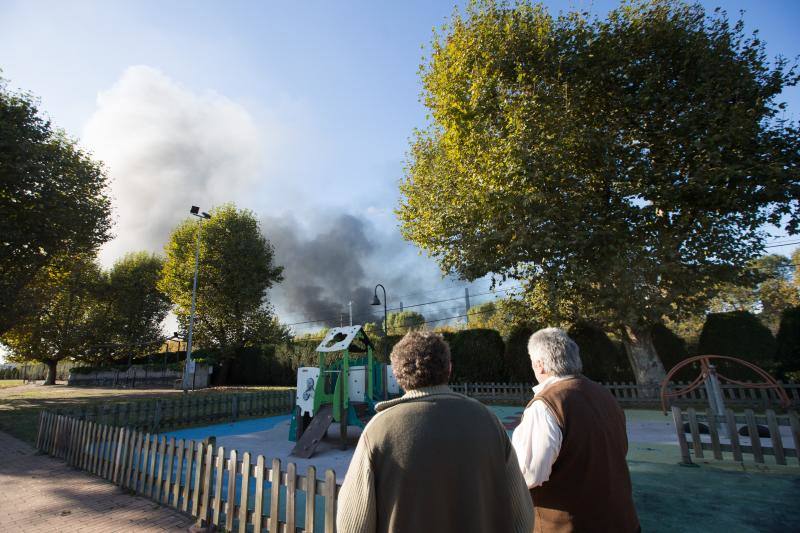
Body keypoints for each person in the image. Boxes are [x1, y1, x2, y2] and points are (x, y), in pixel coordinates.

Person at [337, 330, 533, 533]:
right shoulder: (489, 421)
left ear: (396, 374)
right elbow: (523, 518)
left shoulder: (378, 429)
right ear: (449, 369)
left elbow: (352, 525)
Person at [511, 327, 639, 533]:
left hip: (571, 525)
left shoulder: (546, 405)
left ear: (539, 364)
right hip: (622, 520)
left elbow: (528, 474)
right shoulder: (604, 395)